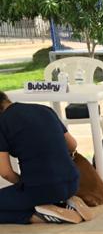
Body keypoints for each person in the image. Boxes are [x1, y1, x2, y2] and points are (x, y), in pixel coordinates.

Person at [0, 91, 91, 224]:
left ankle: (39, 215)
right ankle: (64, 202)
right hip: (73, 182)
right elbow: (72, 145)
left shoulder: (2, 122)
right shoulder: (45, 110)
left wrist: (22, 185)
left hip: (42, 189)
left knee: (20, 198)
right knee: (34, 193)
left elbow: (5, 173)